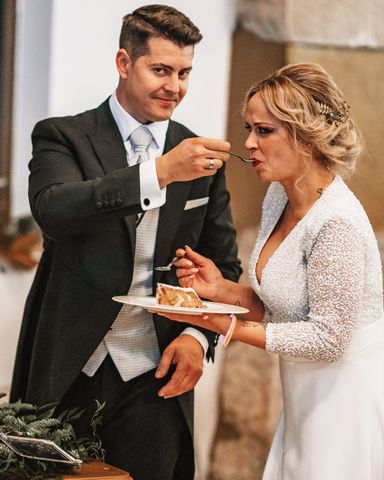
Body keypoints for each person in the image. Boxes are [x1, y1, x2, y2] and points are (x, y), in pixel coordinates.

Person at [10, 5, 241, 479]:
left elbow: (226, 268)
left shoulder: (200, 155)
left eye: (183, 73)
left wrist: (199, 338)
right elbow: (54, 210)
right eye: (160, 70)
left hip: (156, 374)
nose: (173, 87)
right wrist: (158, 173)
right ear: (123, 63)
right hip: (71, 367)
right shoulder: (64, 136)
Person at [154, 63, 384, 479]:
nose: (248, 143)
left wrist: (220, 324)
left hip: (344, 398)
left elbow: (328, 338)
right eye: (250, 128)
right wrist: (222, 289)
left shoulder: (336, 223)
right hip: (304, 393)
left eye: (264, 131)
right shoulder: (279, 197)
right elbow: (287, 309)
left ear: (306, 136)